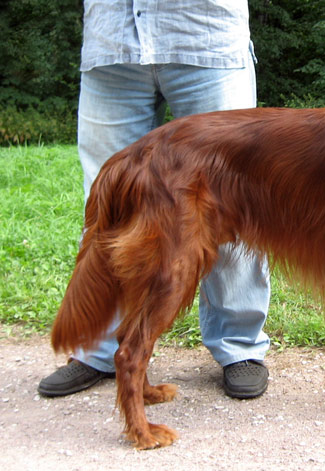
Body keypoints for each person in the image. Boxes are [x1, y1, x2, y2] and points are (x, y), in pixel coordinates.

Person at [38, 0, 270, 400]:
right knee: (108, 208)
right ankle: (100, 349)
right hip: (112, 42)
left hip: (205, 36)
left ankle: (239, 345)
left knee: (234, 206)